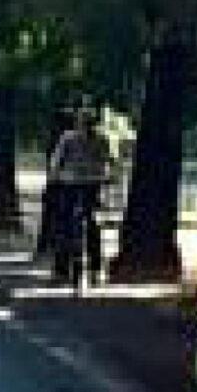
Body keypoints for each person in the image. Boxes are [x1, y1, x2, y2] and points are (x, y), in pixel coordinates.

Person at [45, 108, 113, 285]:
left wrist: (54, 178)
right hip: (87, 183)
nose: (86, 126)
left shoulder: (70, 138)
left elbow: (56, 162)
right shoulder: (99, 139)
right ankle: (92, 268)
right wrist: (107, 176)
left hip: (73, 184)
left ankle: (64, 270)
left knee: (70, 224)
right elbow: (109, 161)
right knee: (88, 223)